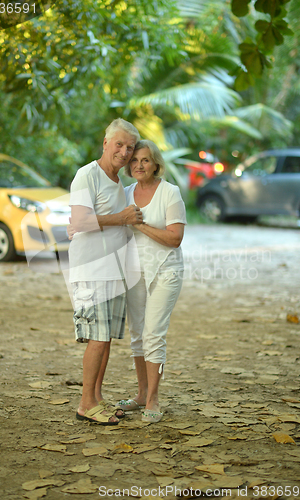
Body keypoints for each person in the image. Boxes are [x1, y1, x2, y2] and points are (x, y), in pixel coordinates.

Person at [69, 118, 143, 425]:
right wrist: (122, 217)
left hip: (113, 272)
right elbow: (79, 223)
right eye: (119, 144)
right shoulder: (87, 175)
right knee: (97, 338)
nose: (125, 152)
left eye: (130, 147)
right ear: (105, 143)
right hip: (91, 270)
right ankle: (86, 404)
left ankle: (97, 398)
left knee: (107, 337)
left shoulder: (118, 183)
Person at [118, 140, 186, 423]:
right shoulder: (125, 194)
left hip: (166, 271)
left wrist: (141, 226)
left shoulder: (170, 192)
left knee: (154, 334)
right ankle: (142, 393)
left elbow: (175, 238)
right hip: (134, 271)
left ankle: (154, 398)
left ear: (156, 163)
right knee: (137, 334)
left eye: (145, 160)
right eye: (134, 161)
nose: (138, 165)